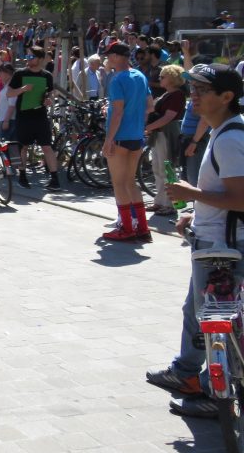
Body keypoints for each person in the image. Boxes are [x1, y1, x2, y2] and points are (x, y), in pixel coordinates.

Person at [152, 64, 244, 417]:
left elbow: (240, 197)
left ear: (226, 97)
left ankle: (204, 386)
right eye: (193, 88)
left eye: (202, 89)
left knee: (211, 318)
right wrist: (196, 209)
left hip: (221, 246)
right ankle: (199, 381)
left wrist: (193, 193)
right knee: (205, 316)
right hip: (214, 237)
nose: (194, 95)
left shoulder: (232, 138)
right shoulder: (224, 132)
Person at [101, 42, 152, 241]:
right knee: (131, 183)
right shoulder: (140, 76)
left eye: (109, 55)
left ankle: (127, 229)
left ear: (116, 56)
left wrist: (108, 140)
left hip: (120, 137)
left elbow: (118, 112)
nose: (107, 59)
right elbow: (150, 106)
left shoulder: (117, 79)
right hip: (137, 136)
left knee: (119, 184)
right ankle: (143, 228)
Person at [10, 46, 62, 191]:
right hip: (24, 116)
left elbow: (51, 93)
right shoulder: (20, 74)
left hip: (40, 116)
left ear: (40, 59)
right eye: (27, 57)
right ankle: (22, 176)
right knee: (23, 146)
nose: (28, 59)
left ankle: (55, 179)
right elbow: (9, 93)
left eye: (31, 57)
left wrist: (49, 100)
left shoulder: (46, 75)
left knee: (47, 146)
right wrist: (23, 89)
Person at [145, 65, 187, 216]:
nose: (159, 79)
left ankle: (171, 204)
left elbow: (168, 117)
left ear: (172, 79)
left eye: (163, 76)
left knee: (167, 169)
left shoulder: (177, 95)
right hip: (159, 134)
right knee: (157, 168)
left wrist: (149, 127)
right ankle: (160, 201)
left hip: (166, 134)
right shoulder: (168, 94)